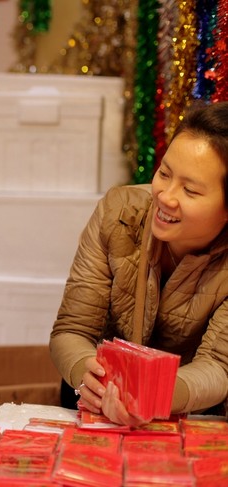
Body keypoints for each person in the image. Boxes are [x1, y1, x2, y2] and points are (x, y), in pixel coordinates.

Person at [50, 100, 228, 426]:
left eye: (190, 190)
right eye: (164, 173)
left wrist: (150, 395)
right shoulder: (119, 213)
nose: (165, 196)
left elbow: (219, 365)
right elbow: (72, 330)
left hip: (190, 411)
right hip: (96, 398)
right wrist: (91, 378)